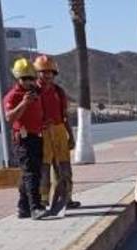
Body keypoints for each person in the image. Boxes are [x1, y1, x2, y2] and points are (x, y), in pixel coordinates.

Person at [34, 54, 80, 214]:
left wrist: (71, 136)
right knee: (44, 168)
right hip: (43, 133)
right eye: (43, 72)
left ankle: (66, 198)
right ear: (37, 73)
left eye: (50, 72)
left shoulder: (58, 92)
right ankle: (43, 200)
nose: (47, 75)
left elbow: (65, 115)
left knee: (64, 168)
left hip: (60, 131)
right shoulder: (33, 92)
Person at [3, 58, 47, 219]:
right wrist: (23, 103)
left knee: (31, 172)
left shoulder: (35, 93)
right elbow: (9, 117)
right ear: (18, 78)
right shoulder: (13, 96)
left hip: (37, 136)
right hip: (24, 139)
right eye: (25, 79)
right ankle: (35, 207)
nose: (29, 82)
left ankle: (23, 207)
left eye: (31, 78)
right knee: (31, 174)